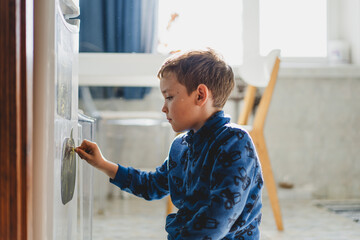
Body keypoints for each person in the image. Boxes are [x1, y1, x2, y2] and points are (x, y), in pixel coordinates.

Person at [75, 49, 264, 240]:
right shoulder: (180, 146)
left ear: (200, 95)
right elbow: (152, 186)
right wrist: (103, 164)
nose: (164, 108)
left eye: (170, 97)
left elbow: (219, 217)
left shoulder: (235, 141)